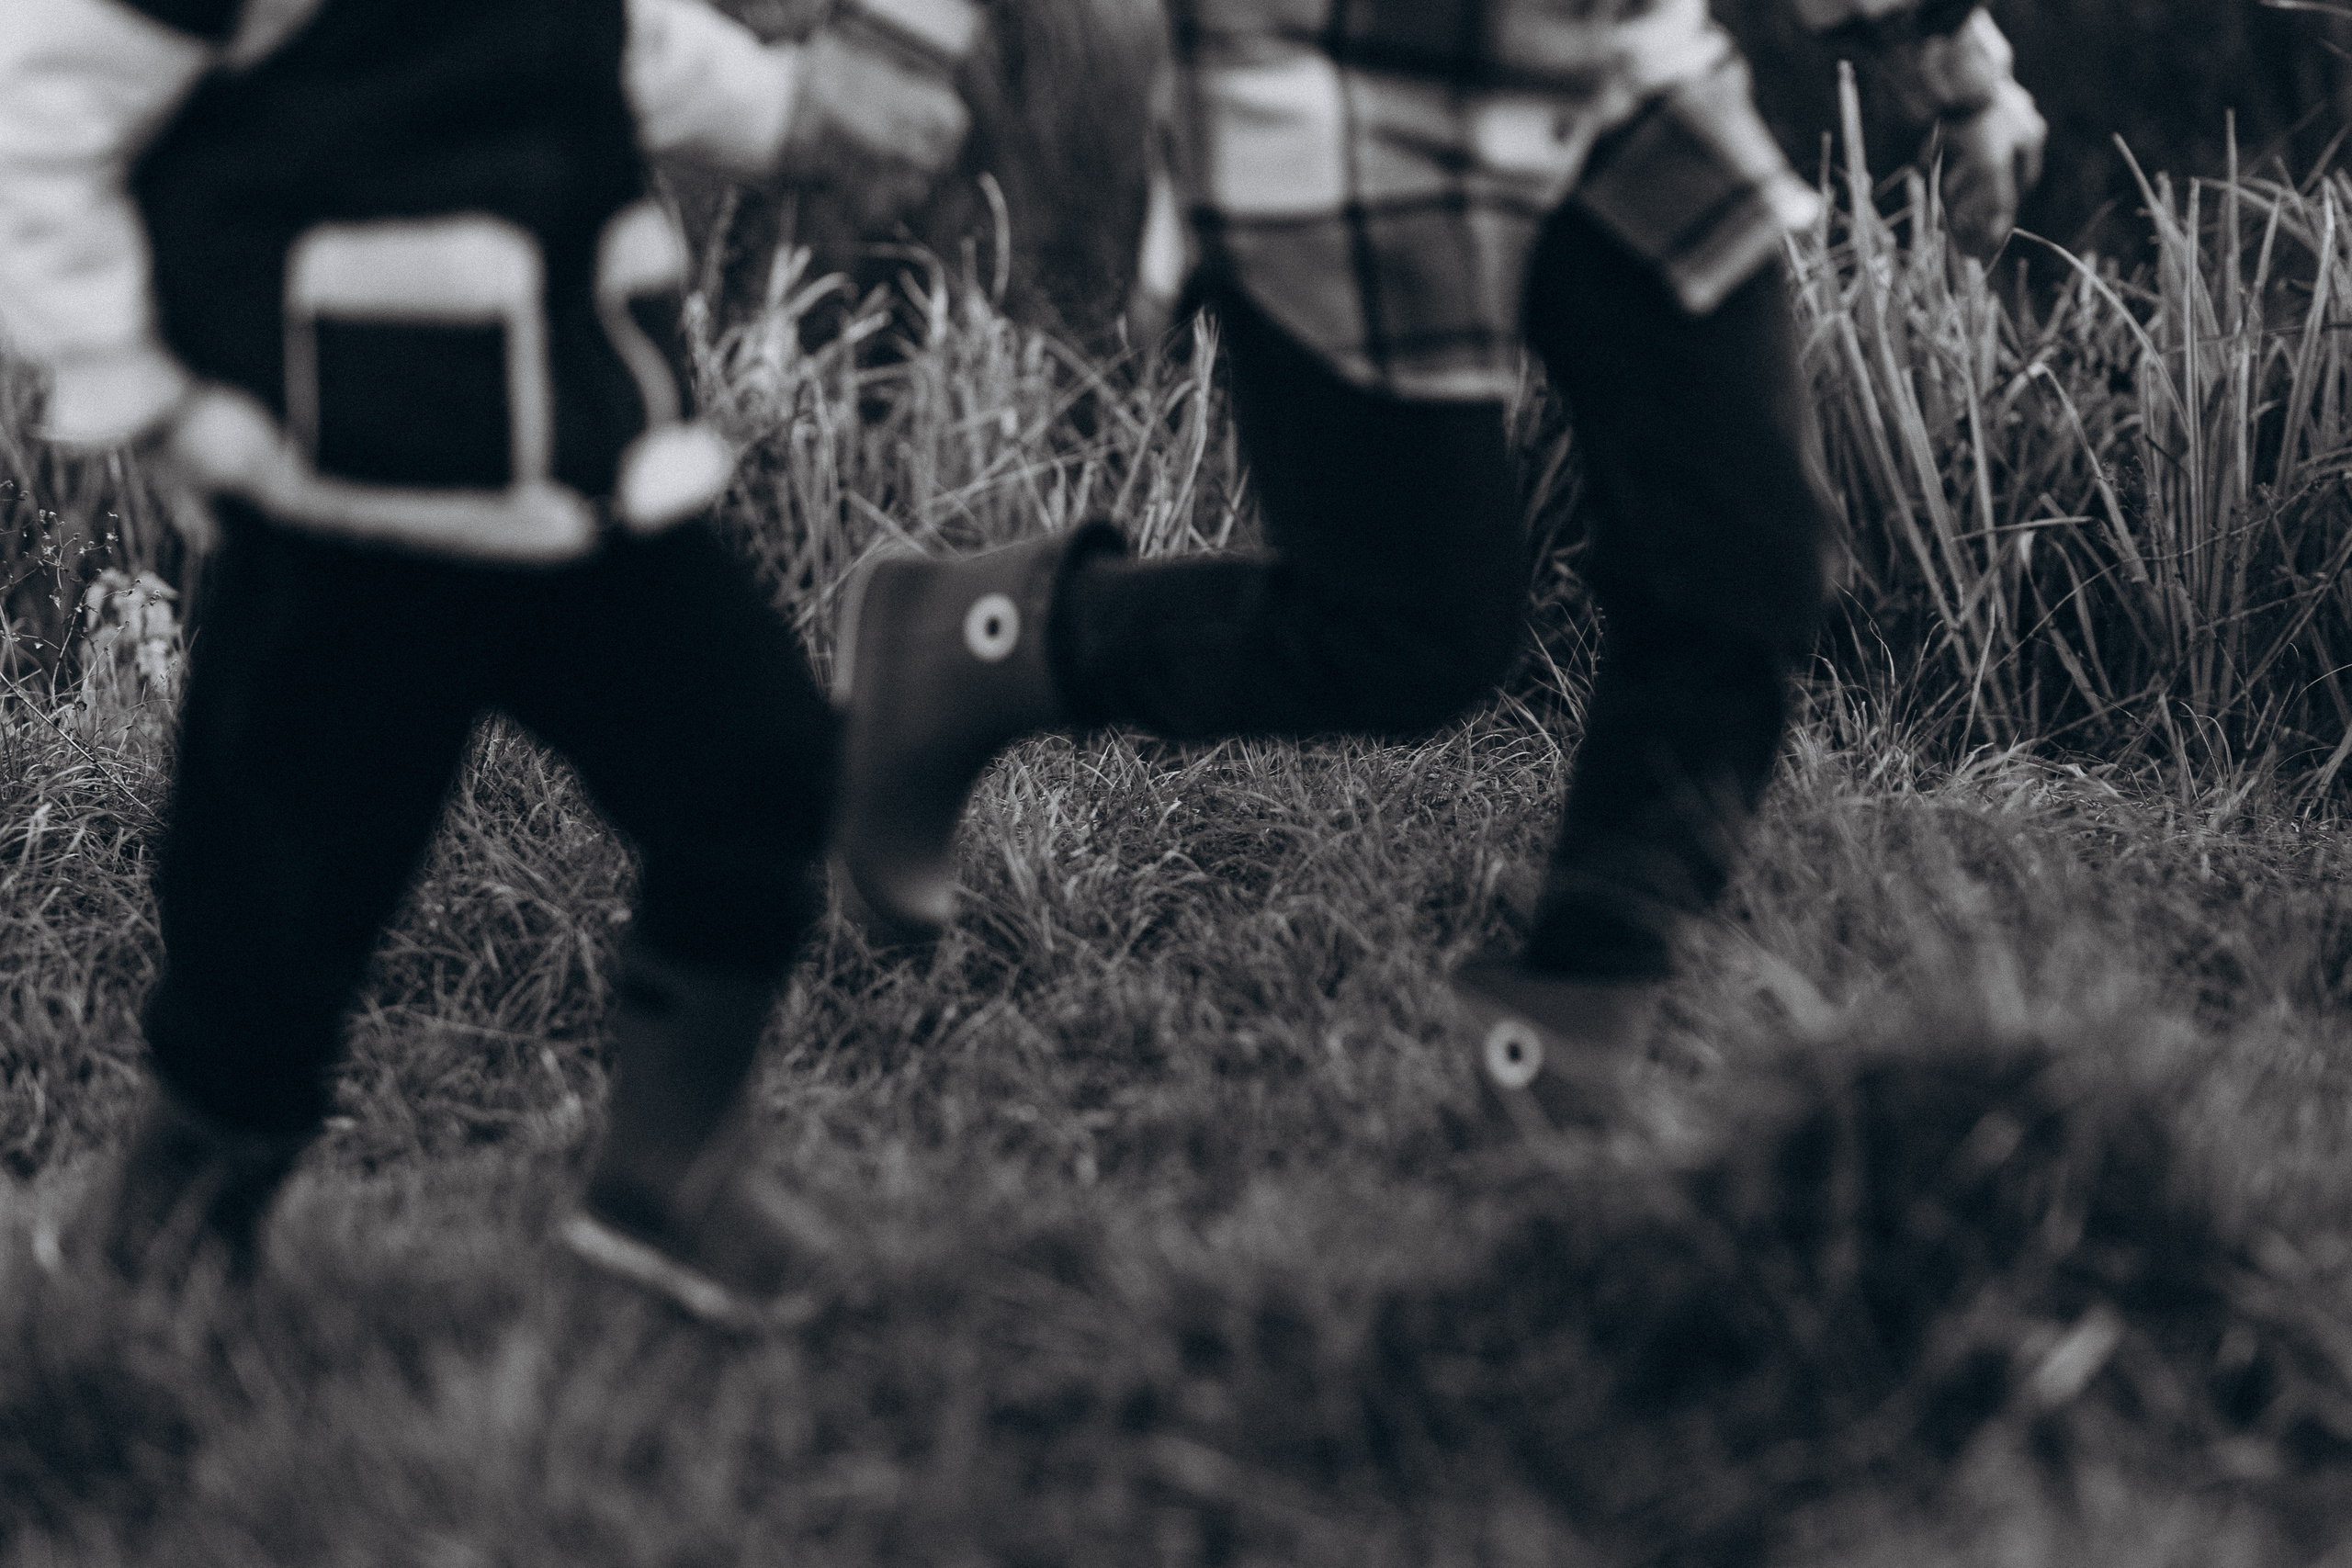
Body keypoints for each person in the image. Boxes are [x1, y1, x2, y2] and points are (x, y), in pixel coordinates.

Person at [834, 0, 2046, 1133]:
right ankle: (988, 642)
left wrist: (1948, 58)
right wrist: (898, 42)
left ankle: (1574, 1028)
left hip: (1624, 78)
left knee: (1750, 561)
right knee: (1411, 632)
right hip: (1335, 99)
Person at [0, 0, 977, 1320]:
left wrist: (789, 112)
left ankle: (672, 1177)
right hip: (344, 509)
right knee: (277, 897)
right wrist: (139, 388)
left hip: (589, 478)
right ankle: (174, 1221)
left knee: (761, 767)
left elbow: (617, 42)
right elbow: (44, 108)